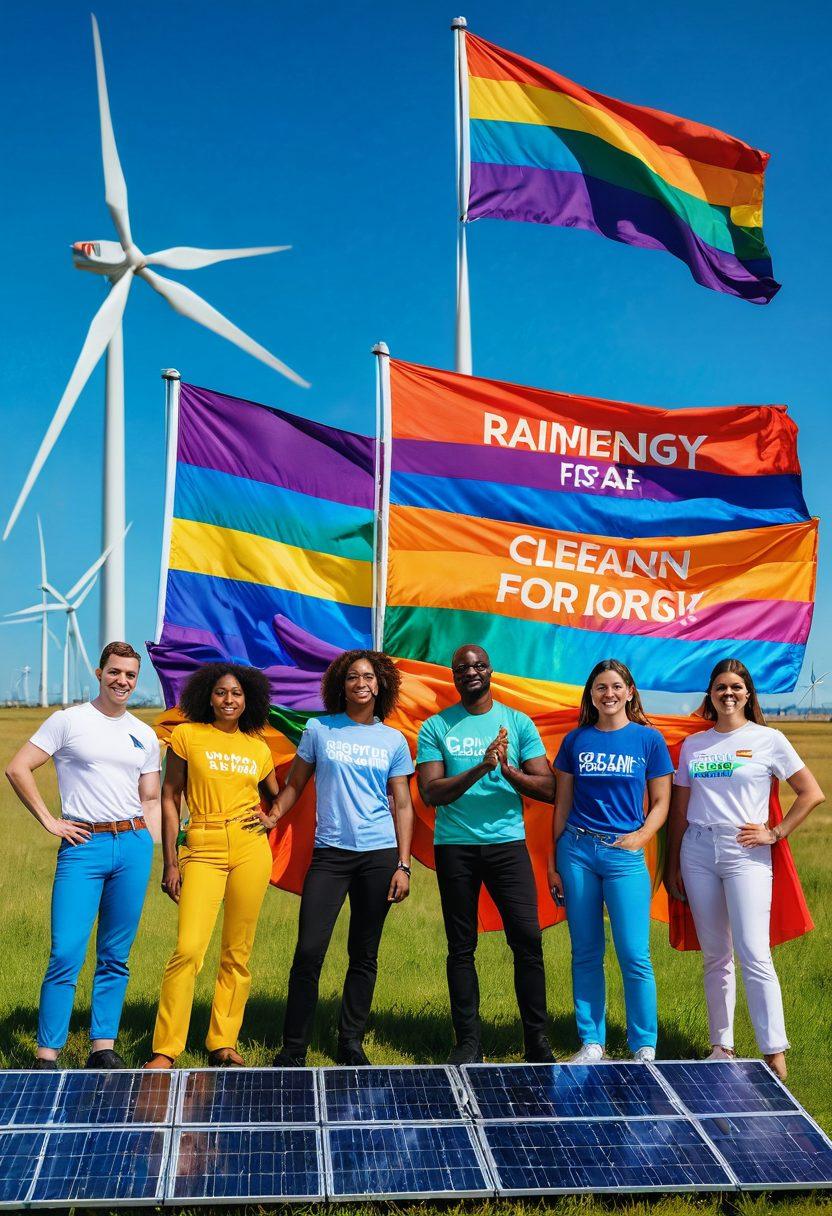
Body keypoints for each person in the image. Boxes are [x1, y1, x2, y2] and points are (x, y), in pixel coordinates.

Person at [665, 658, 824, 1080]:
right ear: (710, 695)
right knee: (716, 956)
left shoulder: (769, 739)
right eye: (720, 687)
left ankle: (775, 1053)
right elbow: (679, 810)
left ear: (748, 693)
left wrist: (776, 832)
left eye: (736, 687)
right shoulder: (695, 746)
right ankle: (722, 1046)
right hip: (696, 851)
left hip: (745, 852)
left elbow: (811, 793)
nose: (728, 693)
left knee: (754, 952)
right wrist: (671, 865)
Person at [5, 641, 160, 1070]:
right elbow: (18, 768)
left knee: (116, 954)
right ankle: (46, 1054)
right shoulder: (68, 721)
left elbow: (150, 798)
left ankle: (102, 1048)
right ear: (99, 672)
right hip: (82, 847)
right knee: (66, 951)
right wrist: (49, 820)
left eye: (130, 674)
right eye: (115, 672)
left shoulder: (144, 734)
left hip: (132, 846)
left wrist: (161, 852)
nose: (122, 681)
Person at [266, 649, 414, 1067]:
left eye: (369, 676)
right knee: (309, 951)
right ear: (340, 685)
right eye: (352, 677)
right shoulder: (319, 729)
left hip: (379, 856)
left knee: (363, 954)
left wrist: (403, 864)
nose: (361, 683)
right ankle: (293, 1047)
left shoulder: (393, 740)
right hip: (330, 855)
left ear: (380, 684)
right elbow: (295, 784)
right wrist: (272, 816)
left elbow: (402, 804)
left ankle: (350, 1043)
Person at [417, 644, 555, 1065]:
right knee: (461, 947)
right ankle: (468, 1043)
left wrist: (507, 769)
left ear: (490, 671)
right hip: (455, 847)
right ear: (454, 677)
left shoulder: (517, 722)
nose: (471, 672)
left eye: (478, 665)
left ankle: (537, 1042)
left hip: (506, 845)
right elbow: (430, 792)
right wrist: (480, 767)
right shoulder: (436, 727)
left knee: (527, 941)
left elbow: (548, 788)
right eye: (462, 668)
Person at [145, 663, 279, 1068]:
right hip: (202, 845)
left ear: (247, 700)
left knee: (237, 952)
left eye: (237, 693)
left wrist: (271, 819)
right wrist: (171, 860)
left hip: (250, 847)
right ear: (208, 696)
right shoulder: (187, 736)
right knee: (188, 948)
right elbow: (170, 797)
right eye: (221, 692)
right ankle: (166, 1049)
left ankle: (223, 1042)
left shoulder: (258, 748)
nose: (229, 699)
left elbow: (279, 796)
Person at [548, 659, 673, 1064]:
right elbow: (562, 804)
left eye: (616, 686)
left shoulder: (648, 741)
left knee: (635, 954)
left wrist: (640, 837)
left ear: (630, 691)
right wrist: (554, 860)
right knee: (585, 950)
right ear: (591, 695)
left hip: (625, 855)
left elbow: (661, 802)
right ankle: (592, 1043)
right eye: (600, 687)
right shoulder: (576, 741)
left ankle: (643, 1046)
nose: (609, 694)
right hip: (577, 852)